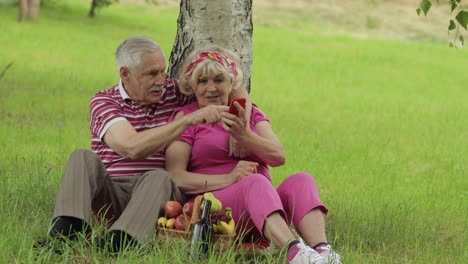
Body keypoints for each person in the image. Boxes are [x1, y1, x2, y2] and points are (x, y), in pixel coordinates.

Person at [36, 36, 250, 252]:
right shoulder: (105, 101)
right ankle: (64, 233)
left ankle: (120, 242)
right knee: (82, 157)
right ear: (125, 74)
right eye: (151, 74)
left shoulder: (173, 92)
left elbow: (233, 86)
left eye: (162, 71)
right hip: (113, 192)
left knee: (160, 176)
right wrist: (187, 120)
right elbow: (131, 147)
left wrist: (239, 123)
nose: (161, 80)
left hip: (157, 196)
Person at [165, 47, 342, 264]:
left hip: (264, 205)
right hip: (216, 208)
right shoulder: (188, 118)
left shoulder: (250, 113)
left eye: (219, 79)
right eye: (202, 81)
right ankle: (294, 253)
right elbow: (176, 176)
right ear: (192, 86)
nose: (211, 88)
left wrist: (245, 136)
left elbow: (278, 156)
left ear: (232, 83)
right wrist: (229, 179)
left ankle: (323, 253)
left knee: (301, 180)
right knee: (254, 181)